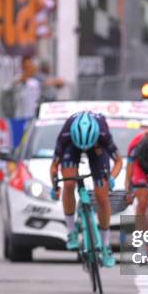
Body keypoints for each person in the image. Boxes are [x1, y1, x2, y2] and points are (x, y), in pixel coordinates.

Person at [50, 111, 123, 267]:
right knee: (69, 184)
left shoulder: (103, 132)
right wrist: (55, 186)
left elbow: (118, 161)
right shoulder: (66, 133)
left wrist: (112, 177)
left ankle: (105, 244)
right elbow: (54, 166)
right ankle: (71, 232)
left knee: (102, 197)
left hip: (97, 148)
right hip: (71, 147)